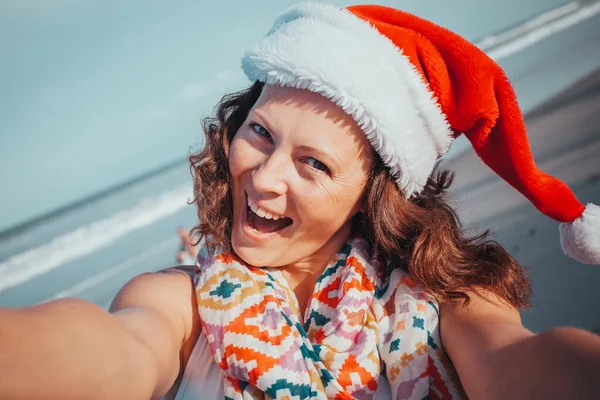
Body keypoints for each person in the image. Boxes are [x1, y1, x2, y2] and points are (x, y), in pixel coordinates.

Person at [1, 2, 600, 399]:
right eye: (259, 133)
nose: (263, 178)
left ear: (373, 195)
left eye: (313, 163)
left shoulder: (450, 301)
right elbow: (115, 350)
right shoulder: (177, 301)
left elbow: (513, 363)